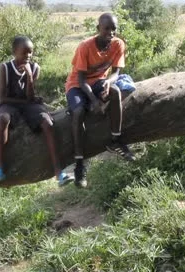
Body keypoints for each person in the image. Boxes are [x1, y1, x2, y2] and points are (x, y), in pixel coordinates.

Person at [0, 36, 74, 186]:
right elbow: (2, 98)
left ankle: (58, 172)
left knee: (48, 123)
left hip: (28, 104)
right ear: (15, 52)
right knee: (3, 119)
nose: (28, 56)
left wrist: (29, 76)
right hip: (10, 104)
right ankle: (0, 167)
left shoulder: (35, 68)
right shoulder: (6, 68)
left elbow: (30, 96)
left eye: (31, 52)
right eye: (24, 52)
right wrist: (28, 101)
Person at [64, 13, 136, 188]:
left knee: (116, 91)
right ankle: (79, 164)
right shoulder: (85, 46)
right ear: (98, 29)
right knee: (79, 111)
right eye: (106, 28)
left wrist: (108, 83)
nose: (111, 32)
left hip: (98, 82)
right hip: (77, 85)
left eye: (114, 29)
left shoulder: (118, 44)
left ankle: (115, 140)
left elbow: (116, 72)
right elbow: (80, 80)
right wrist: (93, 101)